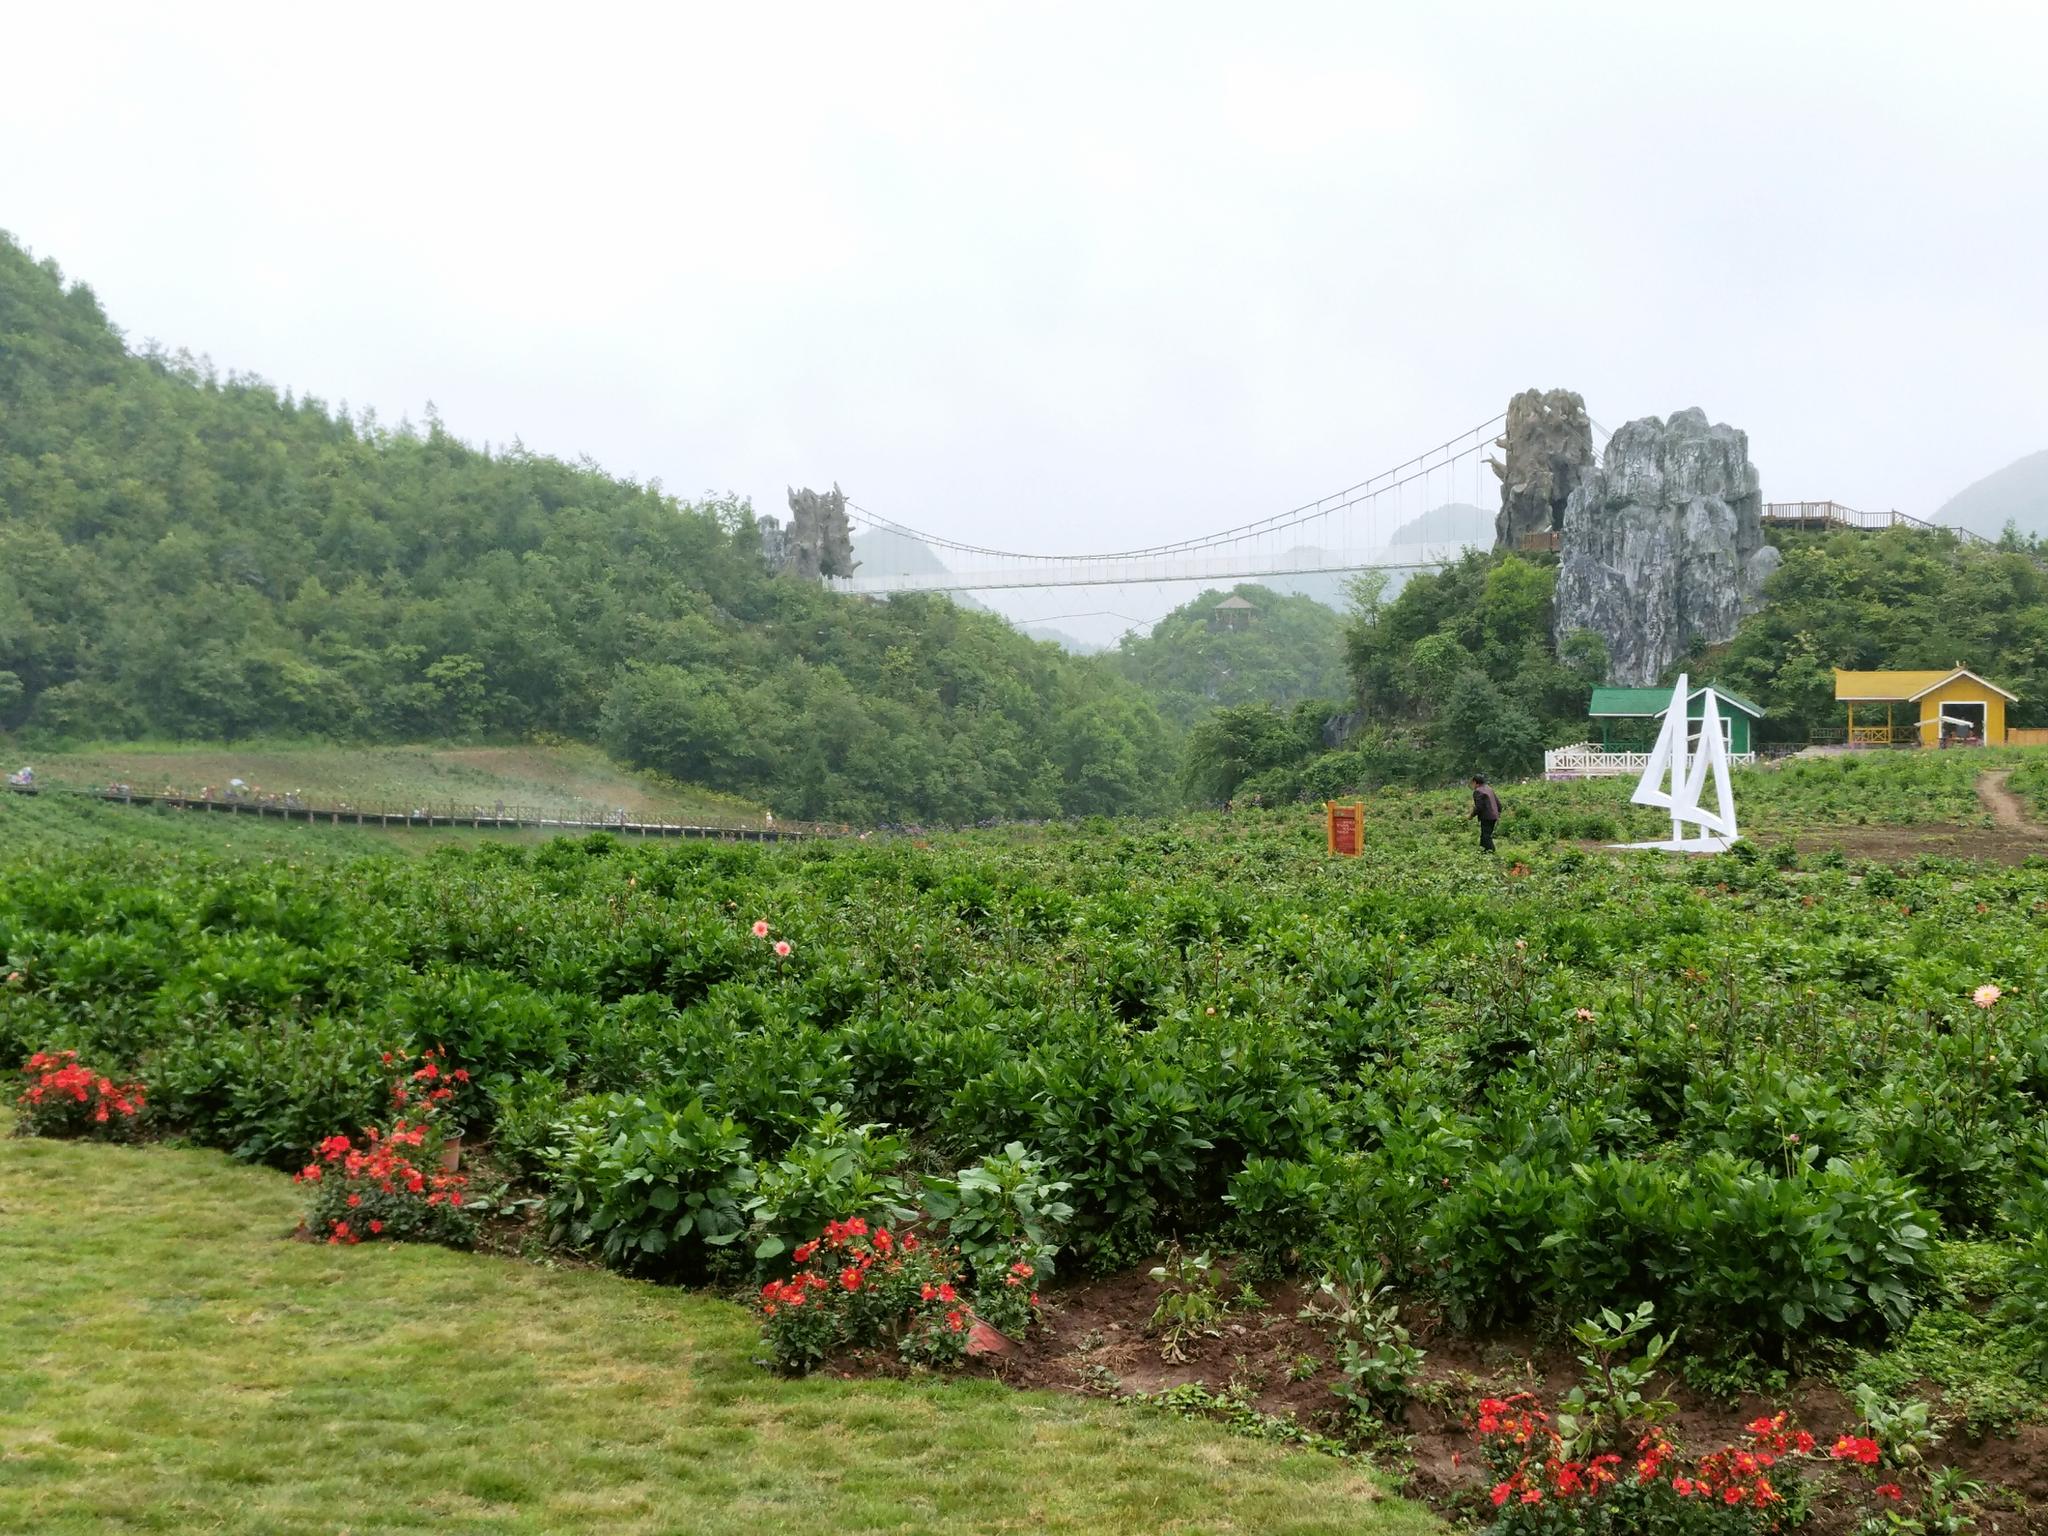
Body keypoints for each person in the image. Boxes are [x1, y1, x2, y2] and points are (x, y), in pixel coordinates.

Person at [1468, 774, 1502, 853]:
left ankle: (1492, 852)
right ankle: (1482, 852)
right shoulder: (1489, 789)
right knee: (1484, 835)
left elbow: (1479, 807)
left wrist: (1471, 815)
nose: (1472, 785)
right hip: (1493, 816)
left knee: (1486, 836)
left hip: (1487, 816)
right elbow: (1498, 804)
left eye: (1472, 783)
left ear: (1475, 782)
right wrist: (1498, 813)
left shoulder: (1478, 791)